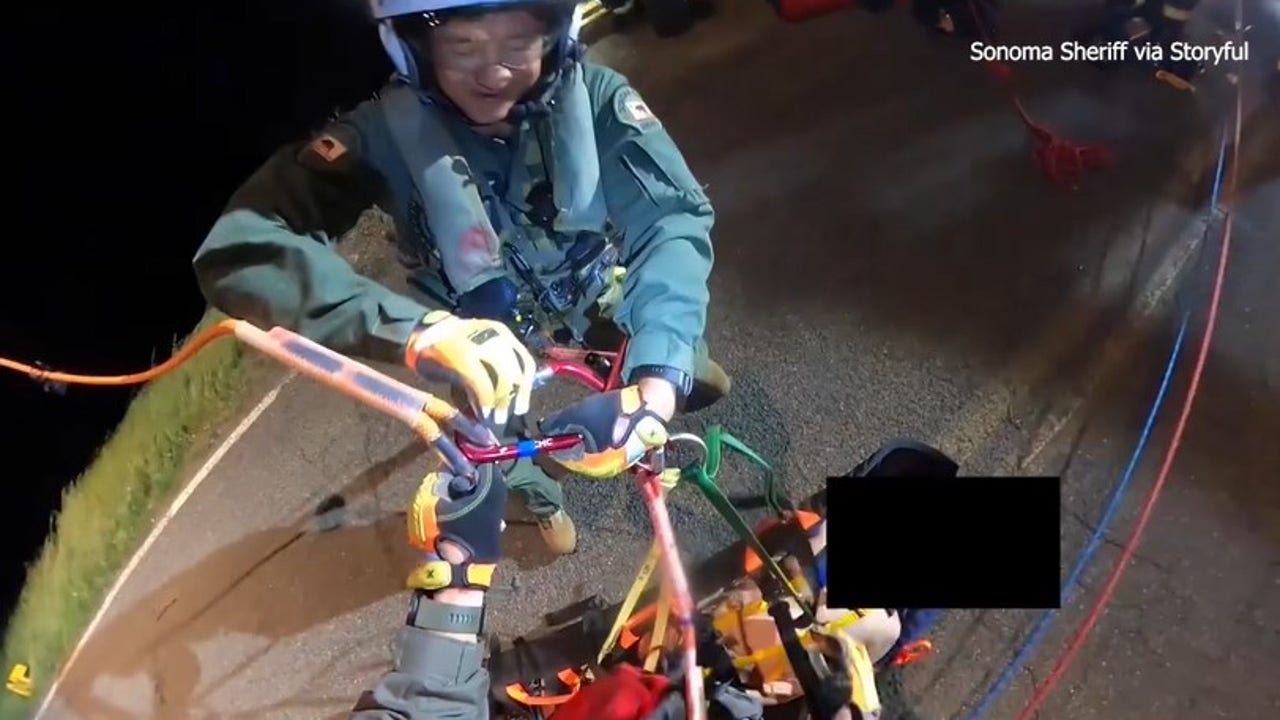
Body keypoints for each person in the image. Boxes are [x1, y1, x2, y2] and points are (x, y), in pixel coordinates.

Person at [192, 0, 732, 557]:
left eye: (517, 43)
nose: (494, 73)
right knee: (491, 441)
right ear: (416, 49)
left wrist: (658, 379)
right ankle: (541, 500)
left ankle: (665, 380)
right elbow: (239, 248)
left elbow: (672, 216)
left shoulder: (597, 97)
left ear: (554, 35)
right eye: (463, 46)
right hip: (474, 333)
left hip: (592, 287)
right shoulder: (381, 136)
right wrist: (415, 332)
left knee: (675, 357)